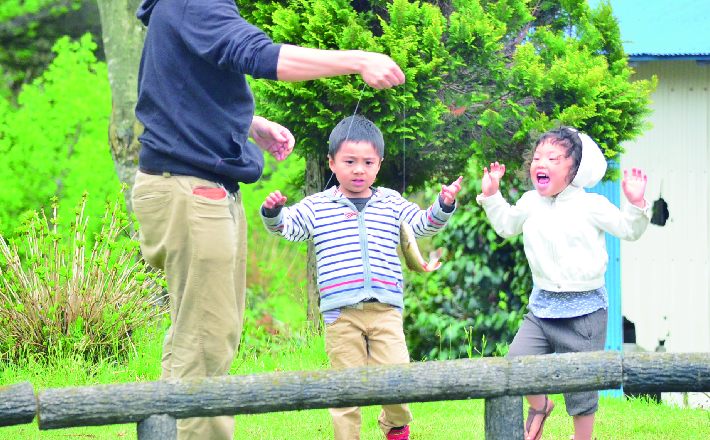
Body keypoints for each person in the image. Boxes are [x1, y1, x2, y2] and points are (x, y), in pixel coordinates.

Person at [129, 0, 406, 437]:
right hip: (188, 191)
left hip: (202, 188)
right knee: (203, 343)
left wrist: (248, 122)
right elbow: (258, 55)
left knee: (211, 335)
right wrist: (356, 59)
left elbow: (174, 85)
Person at [260, 115, 463, 440]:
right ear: (332, 163)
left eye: (367, 162)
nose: (359, 169)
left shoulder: (391, 203)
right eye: (349, 161)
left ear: (379, 164)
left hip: (385, 311)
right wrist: (274, 212)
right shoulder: (317, 206)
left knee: (398, 380)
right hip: (341, 316)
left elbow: (422, 224)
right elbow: (290, 228)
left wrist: (444, 204)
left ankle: (395, 426)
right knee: (346, 391)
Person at [476, 126, 649, 440]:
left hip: (585, 311)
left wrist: (636, 204)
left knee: (581, 384)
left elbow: (629, 230)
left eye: (553, 158)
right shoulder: (529, 202)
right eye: (538, 157)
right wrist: (492, 196)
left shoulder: (591, 205)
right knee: (517, 364)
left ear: (575, 169)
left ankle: (583, 438)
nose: (541, 163)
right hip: (543, 308)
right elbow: (506, 226)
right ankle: (540, 407)